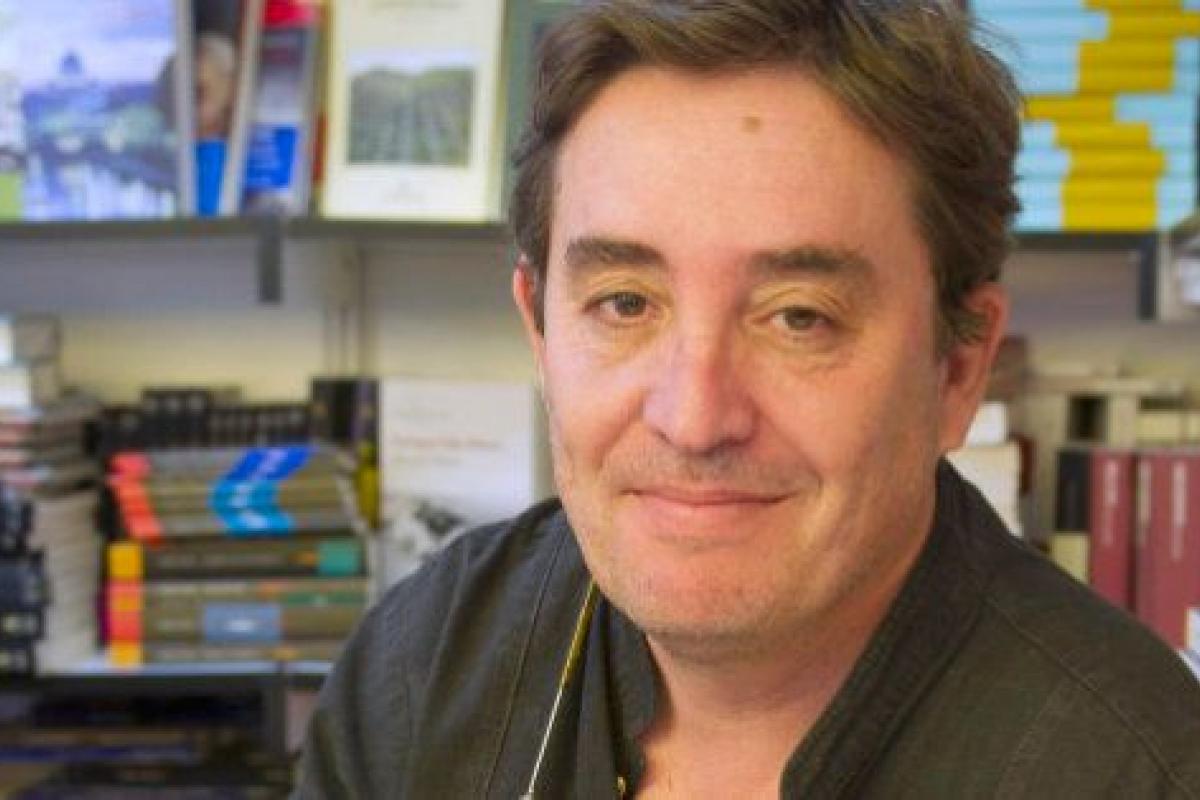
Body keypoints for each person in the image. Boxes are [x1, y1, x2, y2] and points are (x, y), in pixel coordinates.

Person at [296, 1, 1200, 797]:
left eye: (799, 318)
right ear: (540, 332)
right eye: (625, 303)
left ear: (958, 368)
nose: (694, 419)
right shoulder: (422, 671)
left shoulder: (1138, 770)